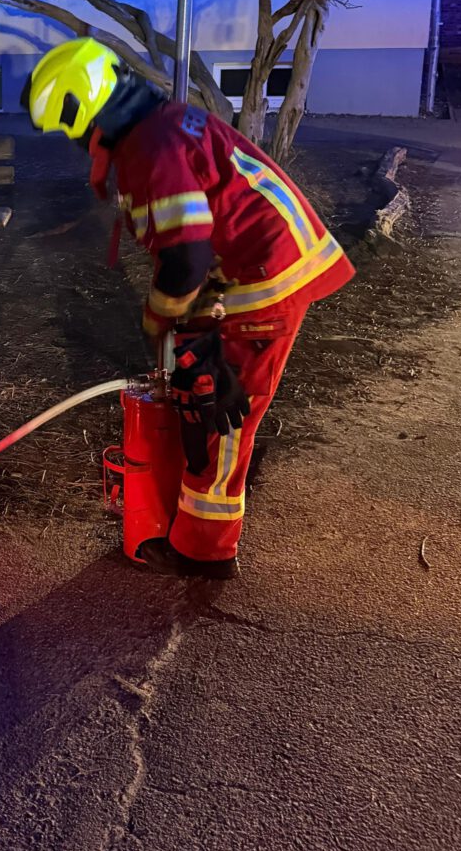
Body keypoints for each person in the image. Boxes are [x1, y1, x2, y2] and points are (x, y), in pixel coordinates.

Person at [24, 37, 354, 579]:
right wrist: (188, 327)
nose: (77, 142)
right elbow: (190, 240)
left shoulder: (148, 149)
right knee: (206, 400)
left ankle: (203, 553)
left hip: (261, 279)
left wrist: (168, 327)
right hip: (256, 266)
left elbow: (185, 259)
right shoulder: (165, 124)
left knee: (217, 416)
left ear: (81, 108)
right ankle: (195, 521)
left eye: (72, 129)